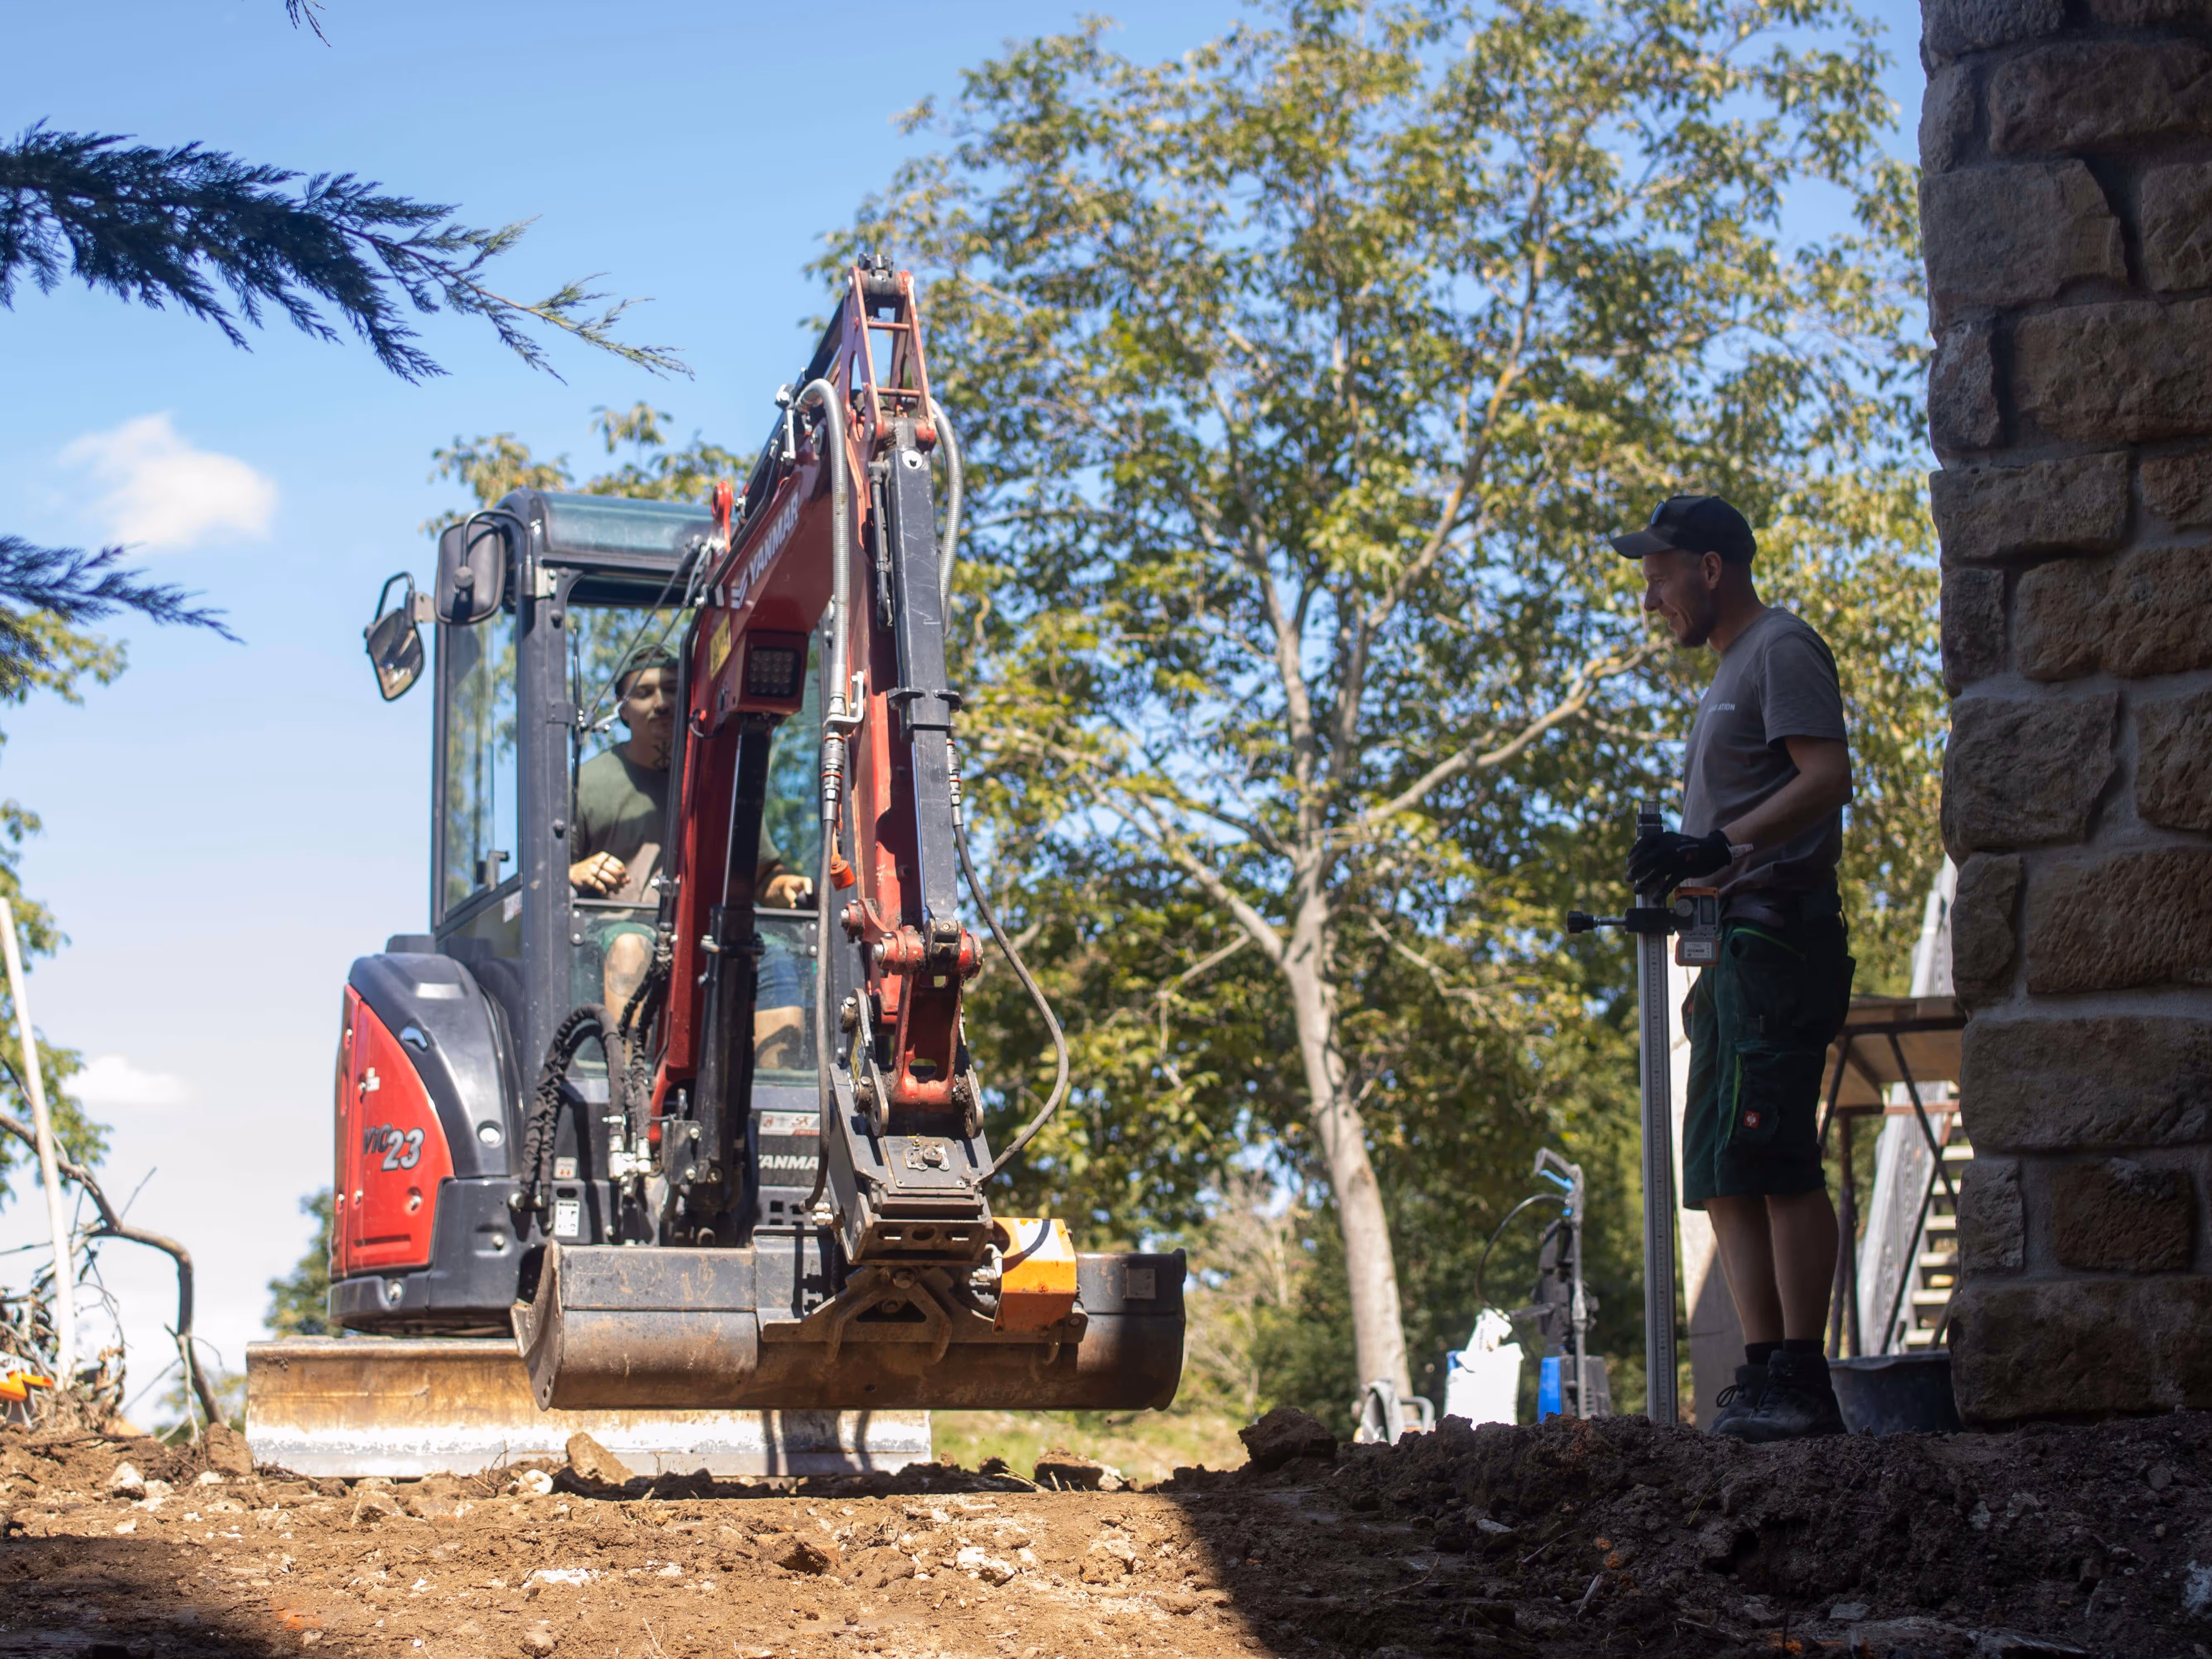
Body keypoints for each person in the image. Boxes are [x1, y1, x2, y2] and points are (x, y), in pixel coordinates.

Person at [1611, 493, 1856, 1443]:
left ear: (1711, 567)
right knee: (1720, 1163)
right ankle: (1760, 1374)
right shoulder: (1728, 672)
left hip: (1779, 938)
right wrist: (1685, 862)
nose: (1651, 600)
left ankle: (1804, 1374)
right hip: (1727, 946)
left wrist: (1721, 843)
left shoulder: (1781, 646)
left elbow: (1827, 776)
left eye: (1659, 577)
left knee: (1773, 1150)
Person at [571, 645, 812, 1063]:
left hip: (710, 934)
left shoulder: (720, 779)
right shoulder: (587, 783)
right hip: (613, 934)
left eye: (672, 689)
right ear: (623, 709)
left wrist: (784, 886)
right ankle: (627, 1090)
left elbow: (762, 876)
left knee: (775, 955)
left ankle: (778, 1093)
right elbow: (547, 878)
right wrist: (577, 870)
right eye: (644, 693)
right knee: (631, 946)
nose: (662, 703)